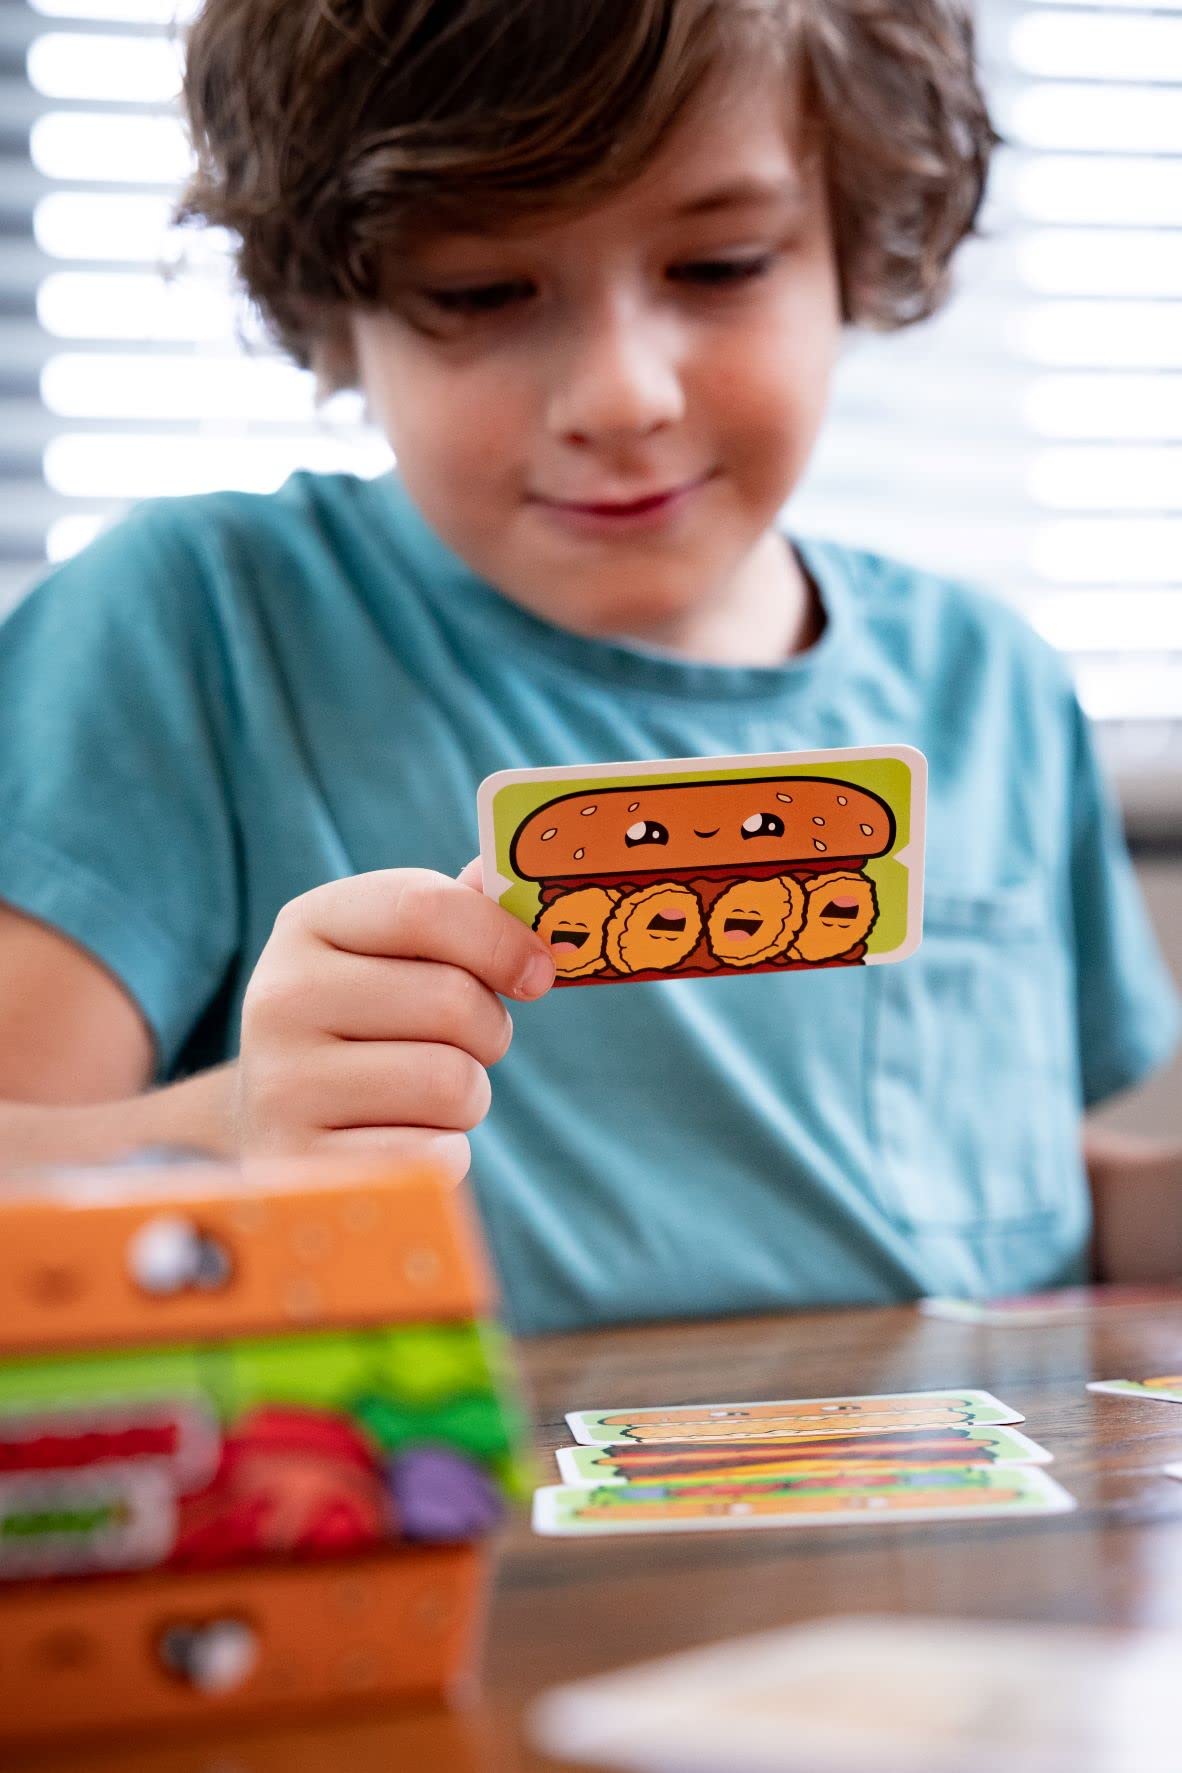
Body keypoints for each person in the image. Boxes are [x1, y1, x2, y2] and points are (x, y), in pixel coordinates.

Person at [0, 0, 1177, 1333]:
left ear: (855, 241)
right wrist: (229, 1130)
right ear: (333, 304)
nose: (621, 395)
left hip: (964, 1532)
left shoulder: (992, 684)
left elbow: (1007, 1205)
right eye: (482, 291)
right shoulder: (197, 627)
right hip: (469, 1532)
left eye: (720, 264)